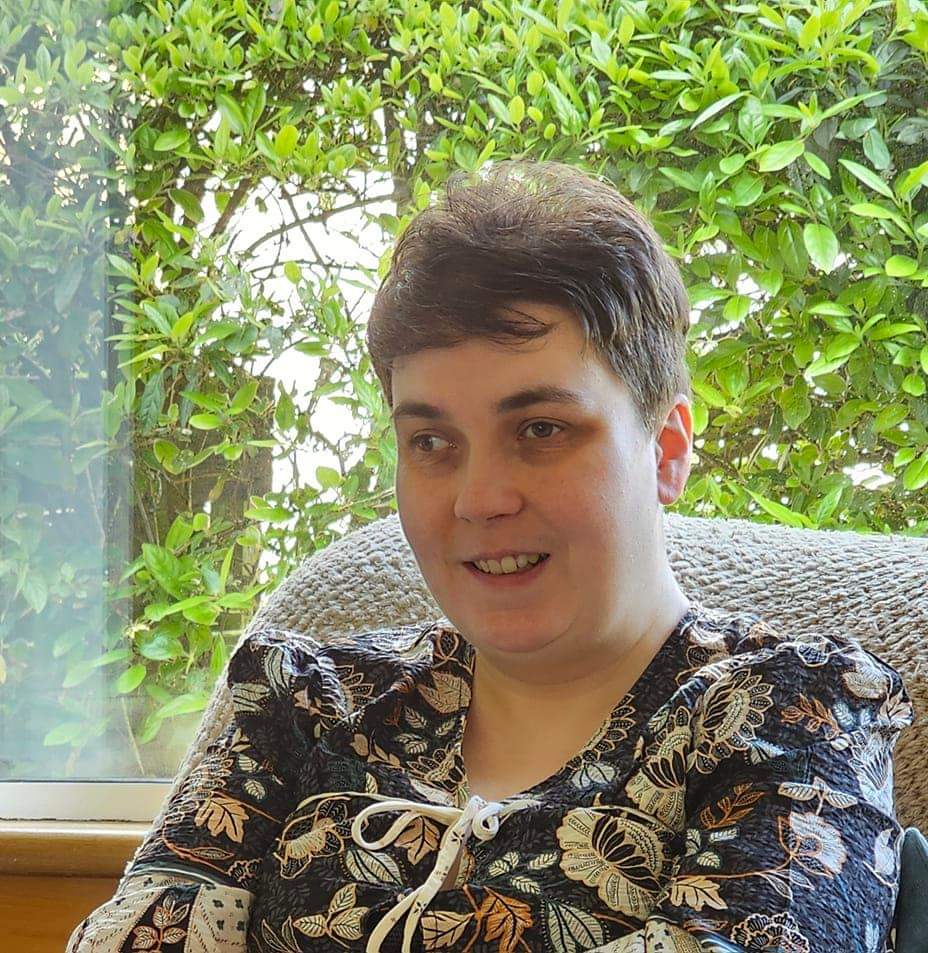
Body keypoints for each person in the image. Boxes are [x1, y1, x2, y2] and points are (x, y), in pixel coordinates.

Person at [67, 160, 913, 952]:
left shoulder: (794, 714)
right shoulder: (295, 700)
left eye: (540, 430)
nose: (479, 498)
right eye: (432, 440)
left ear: (666, 448)